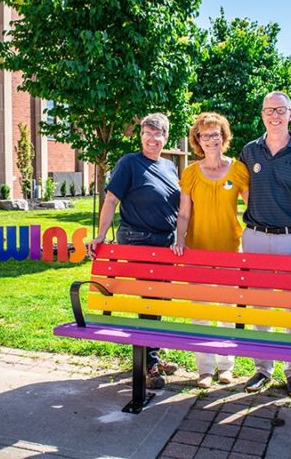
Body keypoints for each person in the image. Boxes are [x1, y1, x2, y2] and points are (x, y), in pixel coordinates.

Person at [239, 91, 291, 397]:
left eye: (280, 110)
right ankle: (262, 369)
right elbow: (239, 186)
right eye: (268, 110)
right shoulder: (250, 151)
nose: (274, 115)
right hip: (256, 237)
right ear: (262, 114)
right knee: (260, 306)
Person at [87, 112, 180, 389]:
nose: (151, 138)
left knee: (159, 301)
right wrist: (101, 236)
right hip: (139, 241)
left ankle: (153, 355)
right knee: (147, 301)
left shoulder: (170, 166)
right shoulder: (129, 163)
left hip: (166, 243)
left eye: (157, 133)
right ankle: (148, 365)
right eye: (146, 133)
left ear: (166, 137)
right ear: (140, 136)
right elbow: (111, 199)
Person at [171, 112, 250, 388]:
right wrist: (180, 239)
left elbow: (252, 210)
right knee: (201, 312)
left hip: (230, 250)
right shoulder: (191, 173)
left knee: (228, 312)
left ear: (223, 137)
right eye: (205, 135)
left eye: (216, 134)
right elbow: (183, 213)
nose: (211, 140)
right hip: (198, 251)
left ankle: (226, 367)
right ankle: (205, 369)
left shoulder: (238, 169)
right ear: (197, 140)